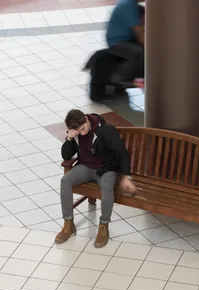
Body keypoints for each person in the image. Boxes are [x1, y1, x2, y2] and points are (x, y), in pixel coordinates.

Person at [57, 110, 136, 248]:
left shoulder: (105, 130)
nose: (82, 133)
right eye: (78, 131)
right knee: (65, 181)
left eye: (83, 129)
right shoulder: (76, 133)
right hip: (86, 166)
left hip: (105, 169)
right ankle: (69, 224)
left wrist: (126, 176)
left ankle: (104, 225)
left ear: (86, 120)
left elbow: (121, 153)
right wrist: (69, 139)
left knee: (107, 186)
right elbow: (66, 155)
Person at [106, 0, 145, 85]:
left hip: (124, 38)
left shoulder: (131, 4)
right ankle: (120, 76)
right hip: (117, 42)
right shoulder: (128, 6)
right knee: (140, 53)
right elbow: (138, 31)